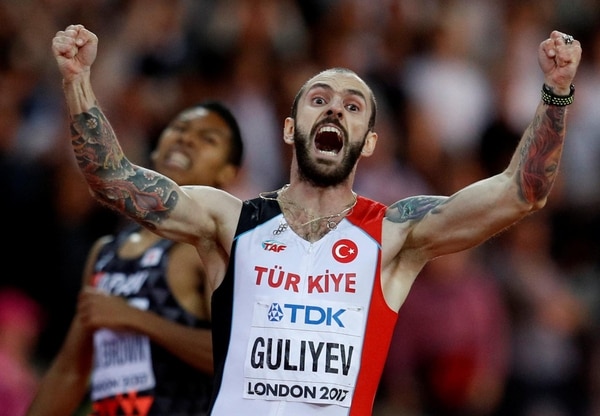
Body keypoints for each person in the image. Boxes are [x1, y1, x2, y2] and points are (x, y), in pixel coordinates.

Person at [50, 24, 581, 416]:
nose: (334, 110)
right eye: (319, 99)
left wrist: (556, 92)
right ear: (289, 127)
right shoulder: (230, 222)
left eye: (353, 106)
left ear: (369, 142)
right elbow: (113, 180)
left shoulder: (394, 235)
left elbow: (521, 193)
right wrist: (77, 81)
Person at [26, 100, 244, 416]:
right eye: (179, 129)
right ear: (156, 149)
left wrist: (135, 319)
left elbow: (236, 357)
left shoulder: (207, 251)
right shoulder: (105, 252)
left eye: (208, 138)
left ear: (228, 172)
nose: (186, 139)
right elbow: (70, 371)